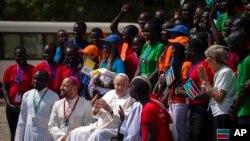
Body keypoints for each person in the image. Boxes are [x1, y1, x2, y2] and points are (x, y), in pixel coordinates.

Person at [67, 73, 133, 141]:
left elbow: (126, 118)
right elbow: (96, 115)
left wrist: (110, 110)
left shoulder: (131, 98)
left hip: (114, 130)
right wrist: (96, 109)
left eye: (123, 85)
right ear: (114, 84)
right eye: (118, 84)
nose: (120, 87)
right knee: (76, 132)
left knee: (97, 134)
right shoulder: (110, 93)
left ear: (128, 84)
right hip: (98, 126)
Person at [198, 45, 236, 141]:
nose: (206, 61)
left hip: (223, 115)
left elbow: (219, 97)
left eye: (207, 58)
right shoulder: (219, 72)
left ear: (214, 59)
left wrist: (206, 81)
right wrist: (207, 88)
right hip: (218, 115)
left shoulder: (224, 72)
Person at [15, 70, 59, 141]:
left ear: (46, 81)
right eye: (34, 78)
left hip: (45, 135)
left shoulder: (54, 97)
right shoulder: (26, 95)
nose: (35, 81)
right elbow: (22, 119)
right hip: (29, 133)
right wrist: (18, 139)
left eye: (38, 79)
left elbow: (56, 122)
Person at [48, 76, 95, 141]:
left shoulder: (86, 104)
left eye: (65, 86)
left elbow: (89, 127)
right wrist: (63, 136)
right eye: (62, 85)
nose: (61, 88)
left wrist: (74, 134)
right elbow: (52, 125)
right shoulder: (57, 104)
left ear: (74, 89)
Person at [2, 46, 34, 141]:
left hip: (26, 108)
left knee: (26, 132)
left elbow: (34, 90)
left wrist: (23, 104)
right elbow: (4, 89)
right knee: (14, 132)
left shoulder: (33, 70)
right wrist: (9, 104)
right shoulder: (9, 70)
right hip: (11, 108)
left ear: (26, 55)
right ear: (14, 57)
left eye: (22, 55)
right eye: (17, 56)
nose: (20, 58)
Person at [129, 76, 172, 141]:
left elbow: (151, 137)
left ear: (137, 94)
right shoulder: (156, 104)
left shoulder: (147, 109)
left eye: (132, 89)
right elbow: (169, 120)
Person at [228, 31, 250, 125]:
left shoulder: (247, 61)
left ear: (240, 43)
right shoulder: (241, 61)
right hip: (241, 111)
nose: (228, 45)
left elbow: (244, 89)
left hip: (245, 111)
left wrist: (234, 108)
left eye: (230, 42)